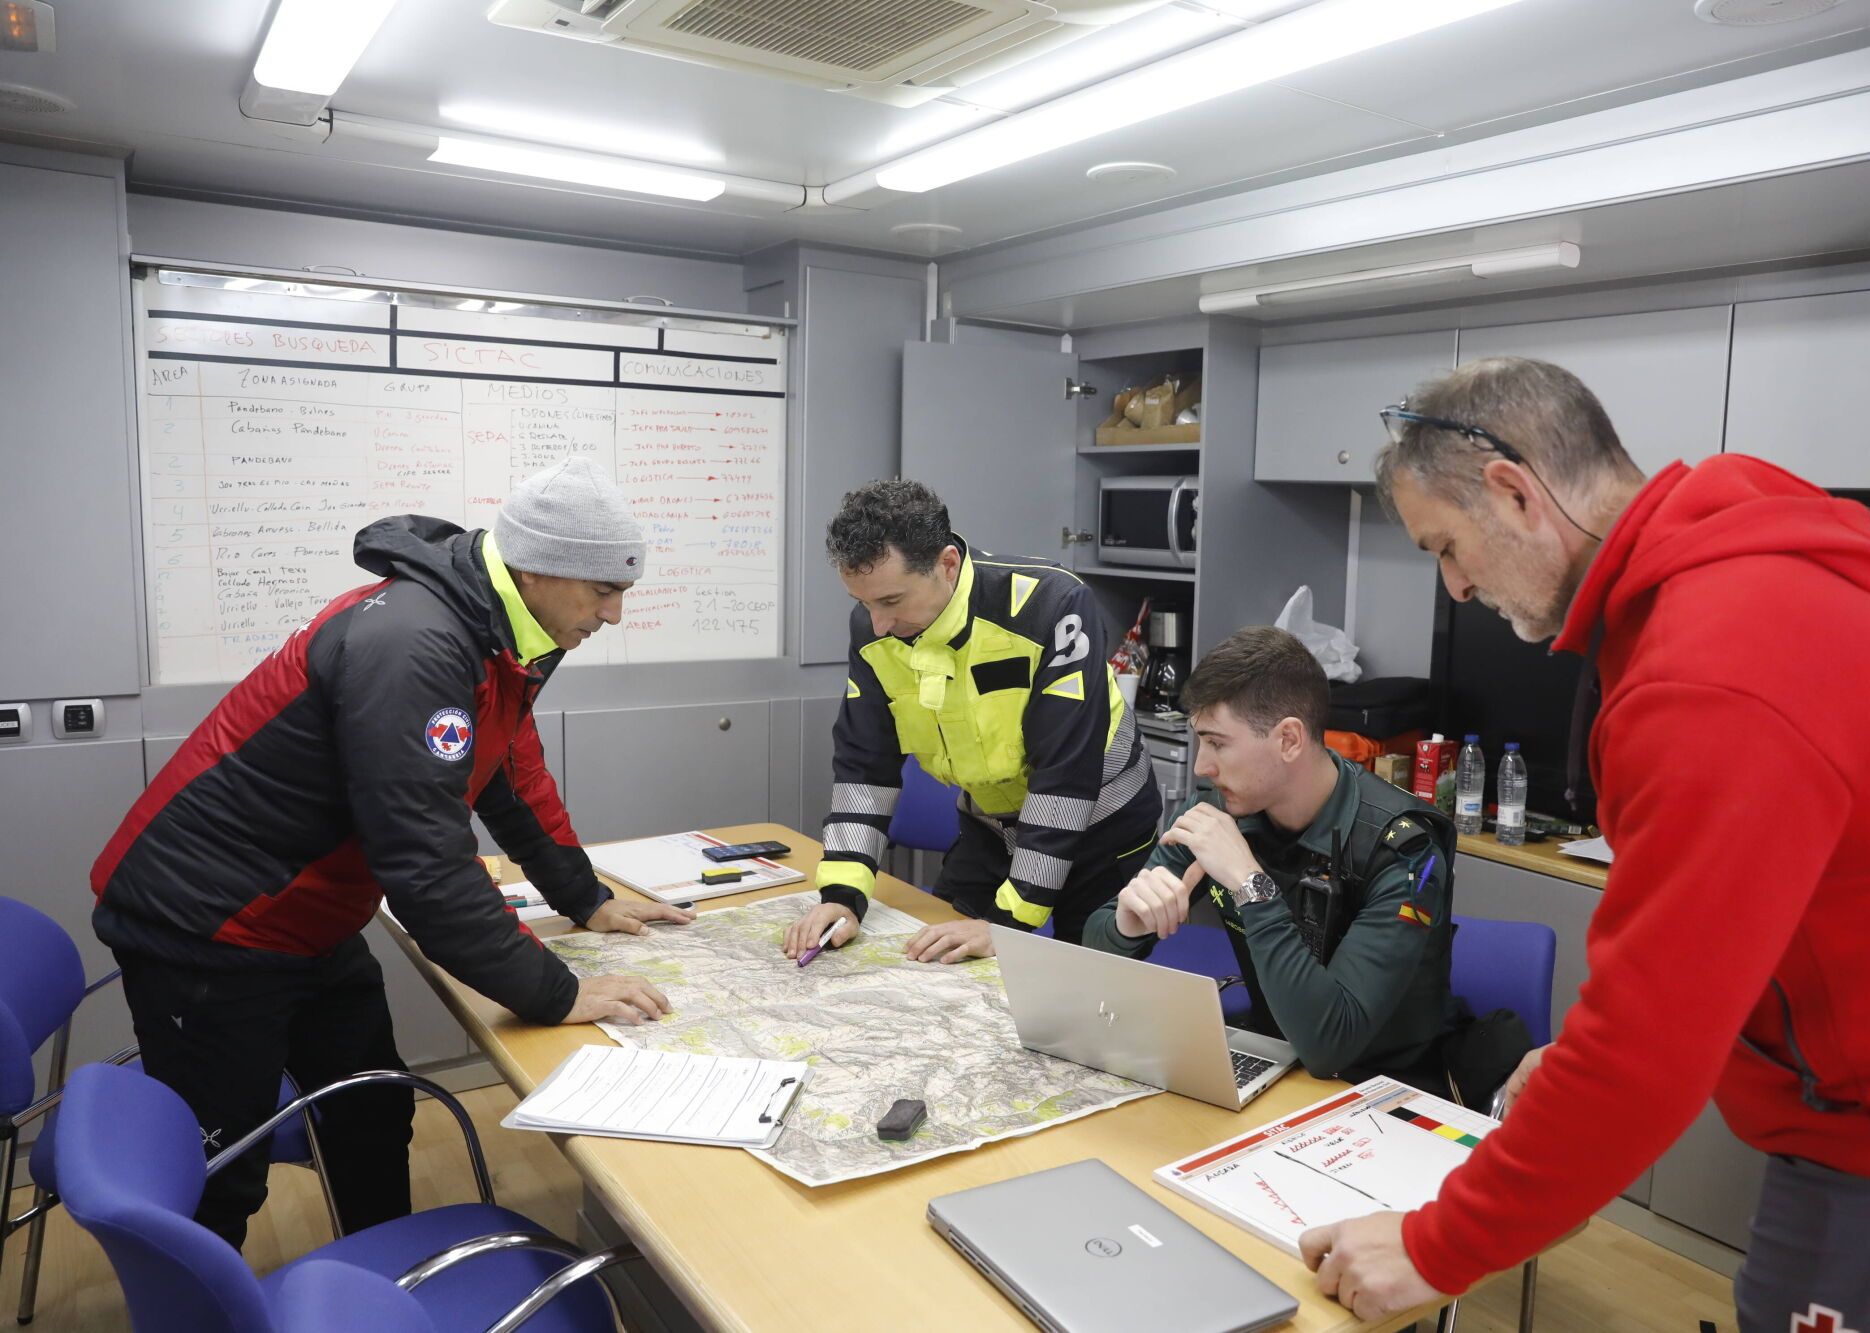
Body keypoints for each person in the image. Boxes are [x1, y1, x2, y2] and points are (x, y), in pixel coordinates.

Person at [1302, 356, 1870, 1331]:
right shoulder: (1758, 580)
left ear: (1512, 492)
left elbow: (1646, 1044)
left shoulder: (1708, 666)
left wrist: (1435, 1246)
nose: (1453, 586)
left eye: (1444, 547)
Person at [90, 457, 691, 1248]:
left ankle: (381, 1276)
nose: (613, 614)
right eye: (603, 591)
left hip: (308, 921)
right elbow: (425, 862)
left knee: (371, 1110)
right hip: (210, 924)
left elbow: (508, 770)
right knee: (221, 1174)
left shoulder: (502, 629)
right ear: (539, 570)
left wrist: (586, 899)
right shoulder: (413, 641)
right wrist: (555, 991)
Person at [782, 479, 1162, 965]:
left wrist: (1008, 926)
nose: (875, 624)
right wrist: (842, 894)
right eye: (863, 603)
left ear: (947, 565)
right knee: (932, 955)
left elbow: (1066, 777)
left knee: (1080, 994)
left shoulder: (1051, 605)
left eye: (891, 601)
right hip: (992, 825)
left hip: (1102, 828)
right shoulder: (876, 630)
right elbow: (863, 766)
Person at [1082, 626, 1460, 1084]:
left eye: (1218, 743)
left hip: (1385, 1093)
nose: (1202, 765)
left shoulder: (1406, 852)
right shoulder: (1222, 805)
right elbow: (1096, 952)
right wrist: (1128, 924)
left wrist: (1250, 885)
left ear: (1288, 740)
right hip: (1273, 1065)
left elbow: (1329, 1045)